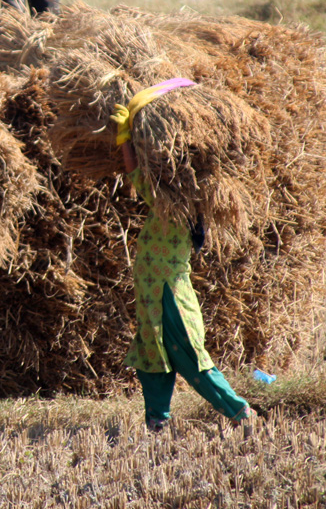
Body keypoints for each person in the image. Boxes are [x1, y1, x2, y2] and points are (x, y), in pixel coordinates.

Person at [111, 81, 258, 436]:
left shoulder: (179, 211)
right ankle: (157, 422)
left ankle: (239, 412)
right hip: (148, 296)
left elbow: (139, 176)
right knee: (151, 358)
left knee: (188, 357)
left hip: (168, 296)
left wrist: (129, 140)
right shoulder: (166, 204)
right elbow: (136, 176)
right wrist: (125, 137)